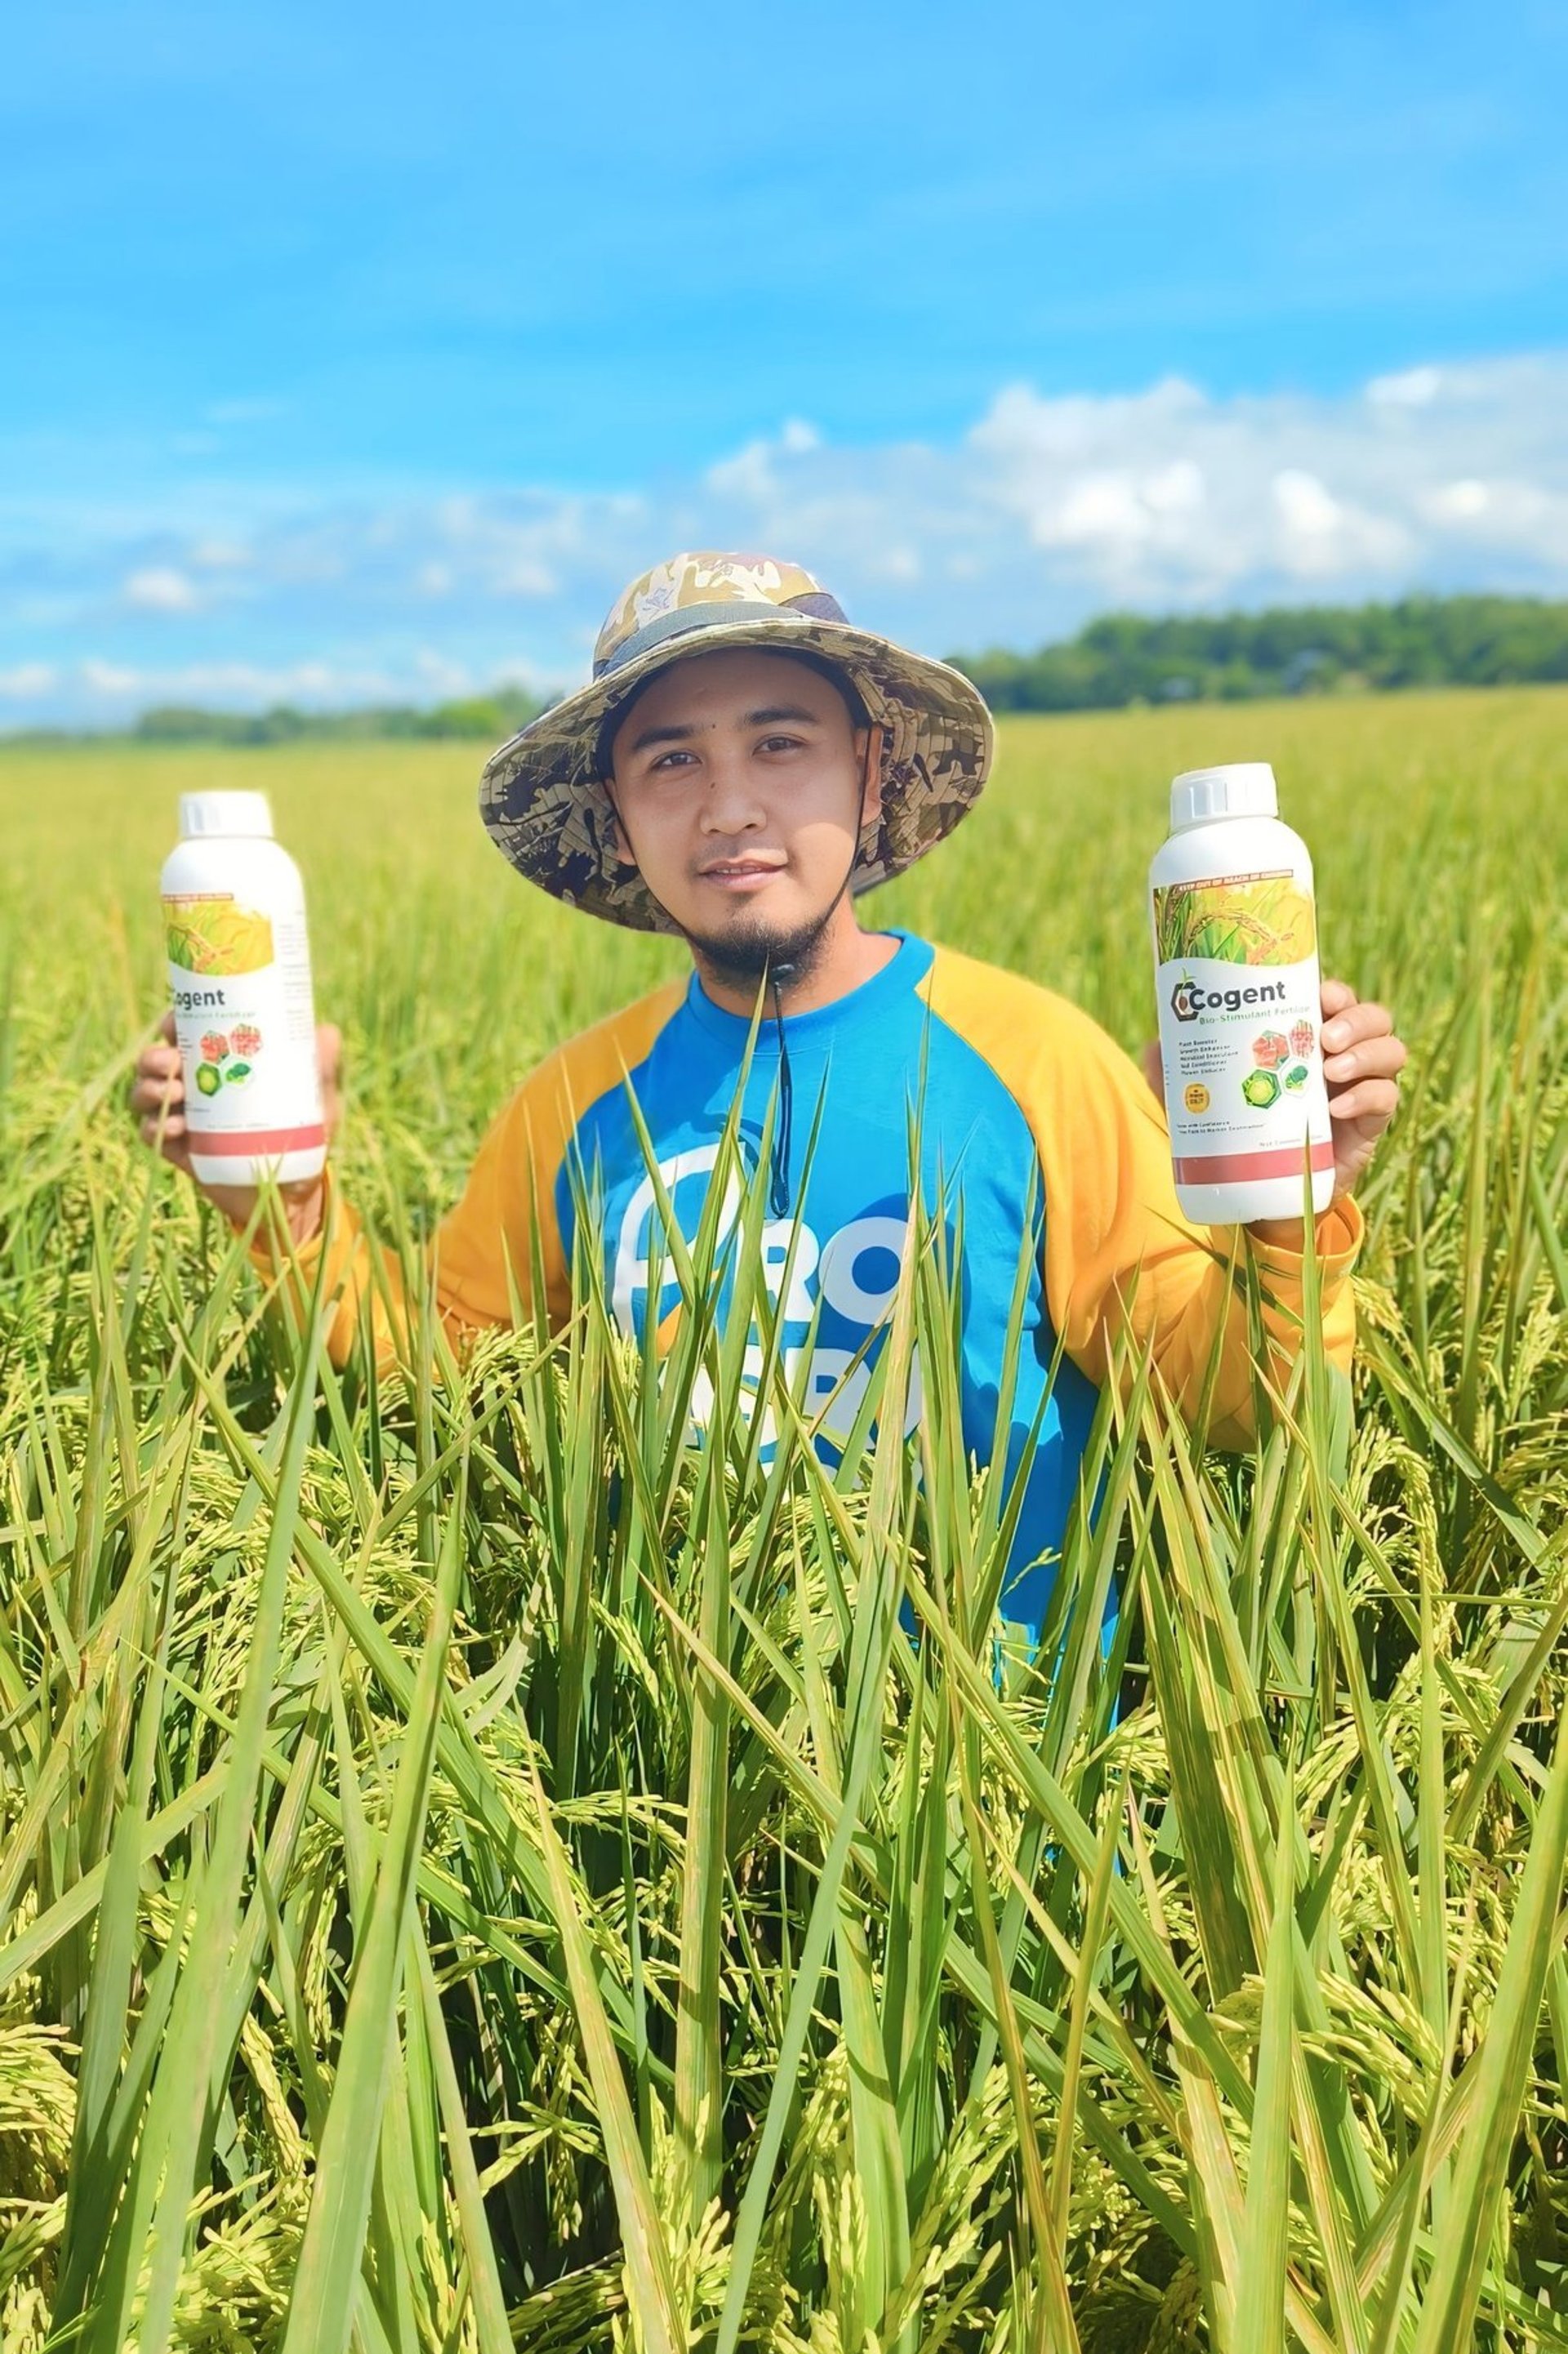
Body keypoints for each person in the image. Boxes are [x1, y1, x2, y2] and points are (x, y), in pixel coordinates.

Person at [131, 551, 1407, 1643]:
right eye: (671, 761)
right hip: (672, 1797)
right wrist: (283, 1206)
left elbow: (1223, 1405)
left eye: (779, 745)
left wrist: (1297, 1209)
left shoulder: (1035, 1060)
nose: (730, 807)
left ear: (867, 772)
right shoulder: (575, 1103)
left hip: (1008, 1788)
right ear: (619, 820)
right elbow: (450, 1372)